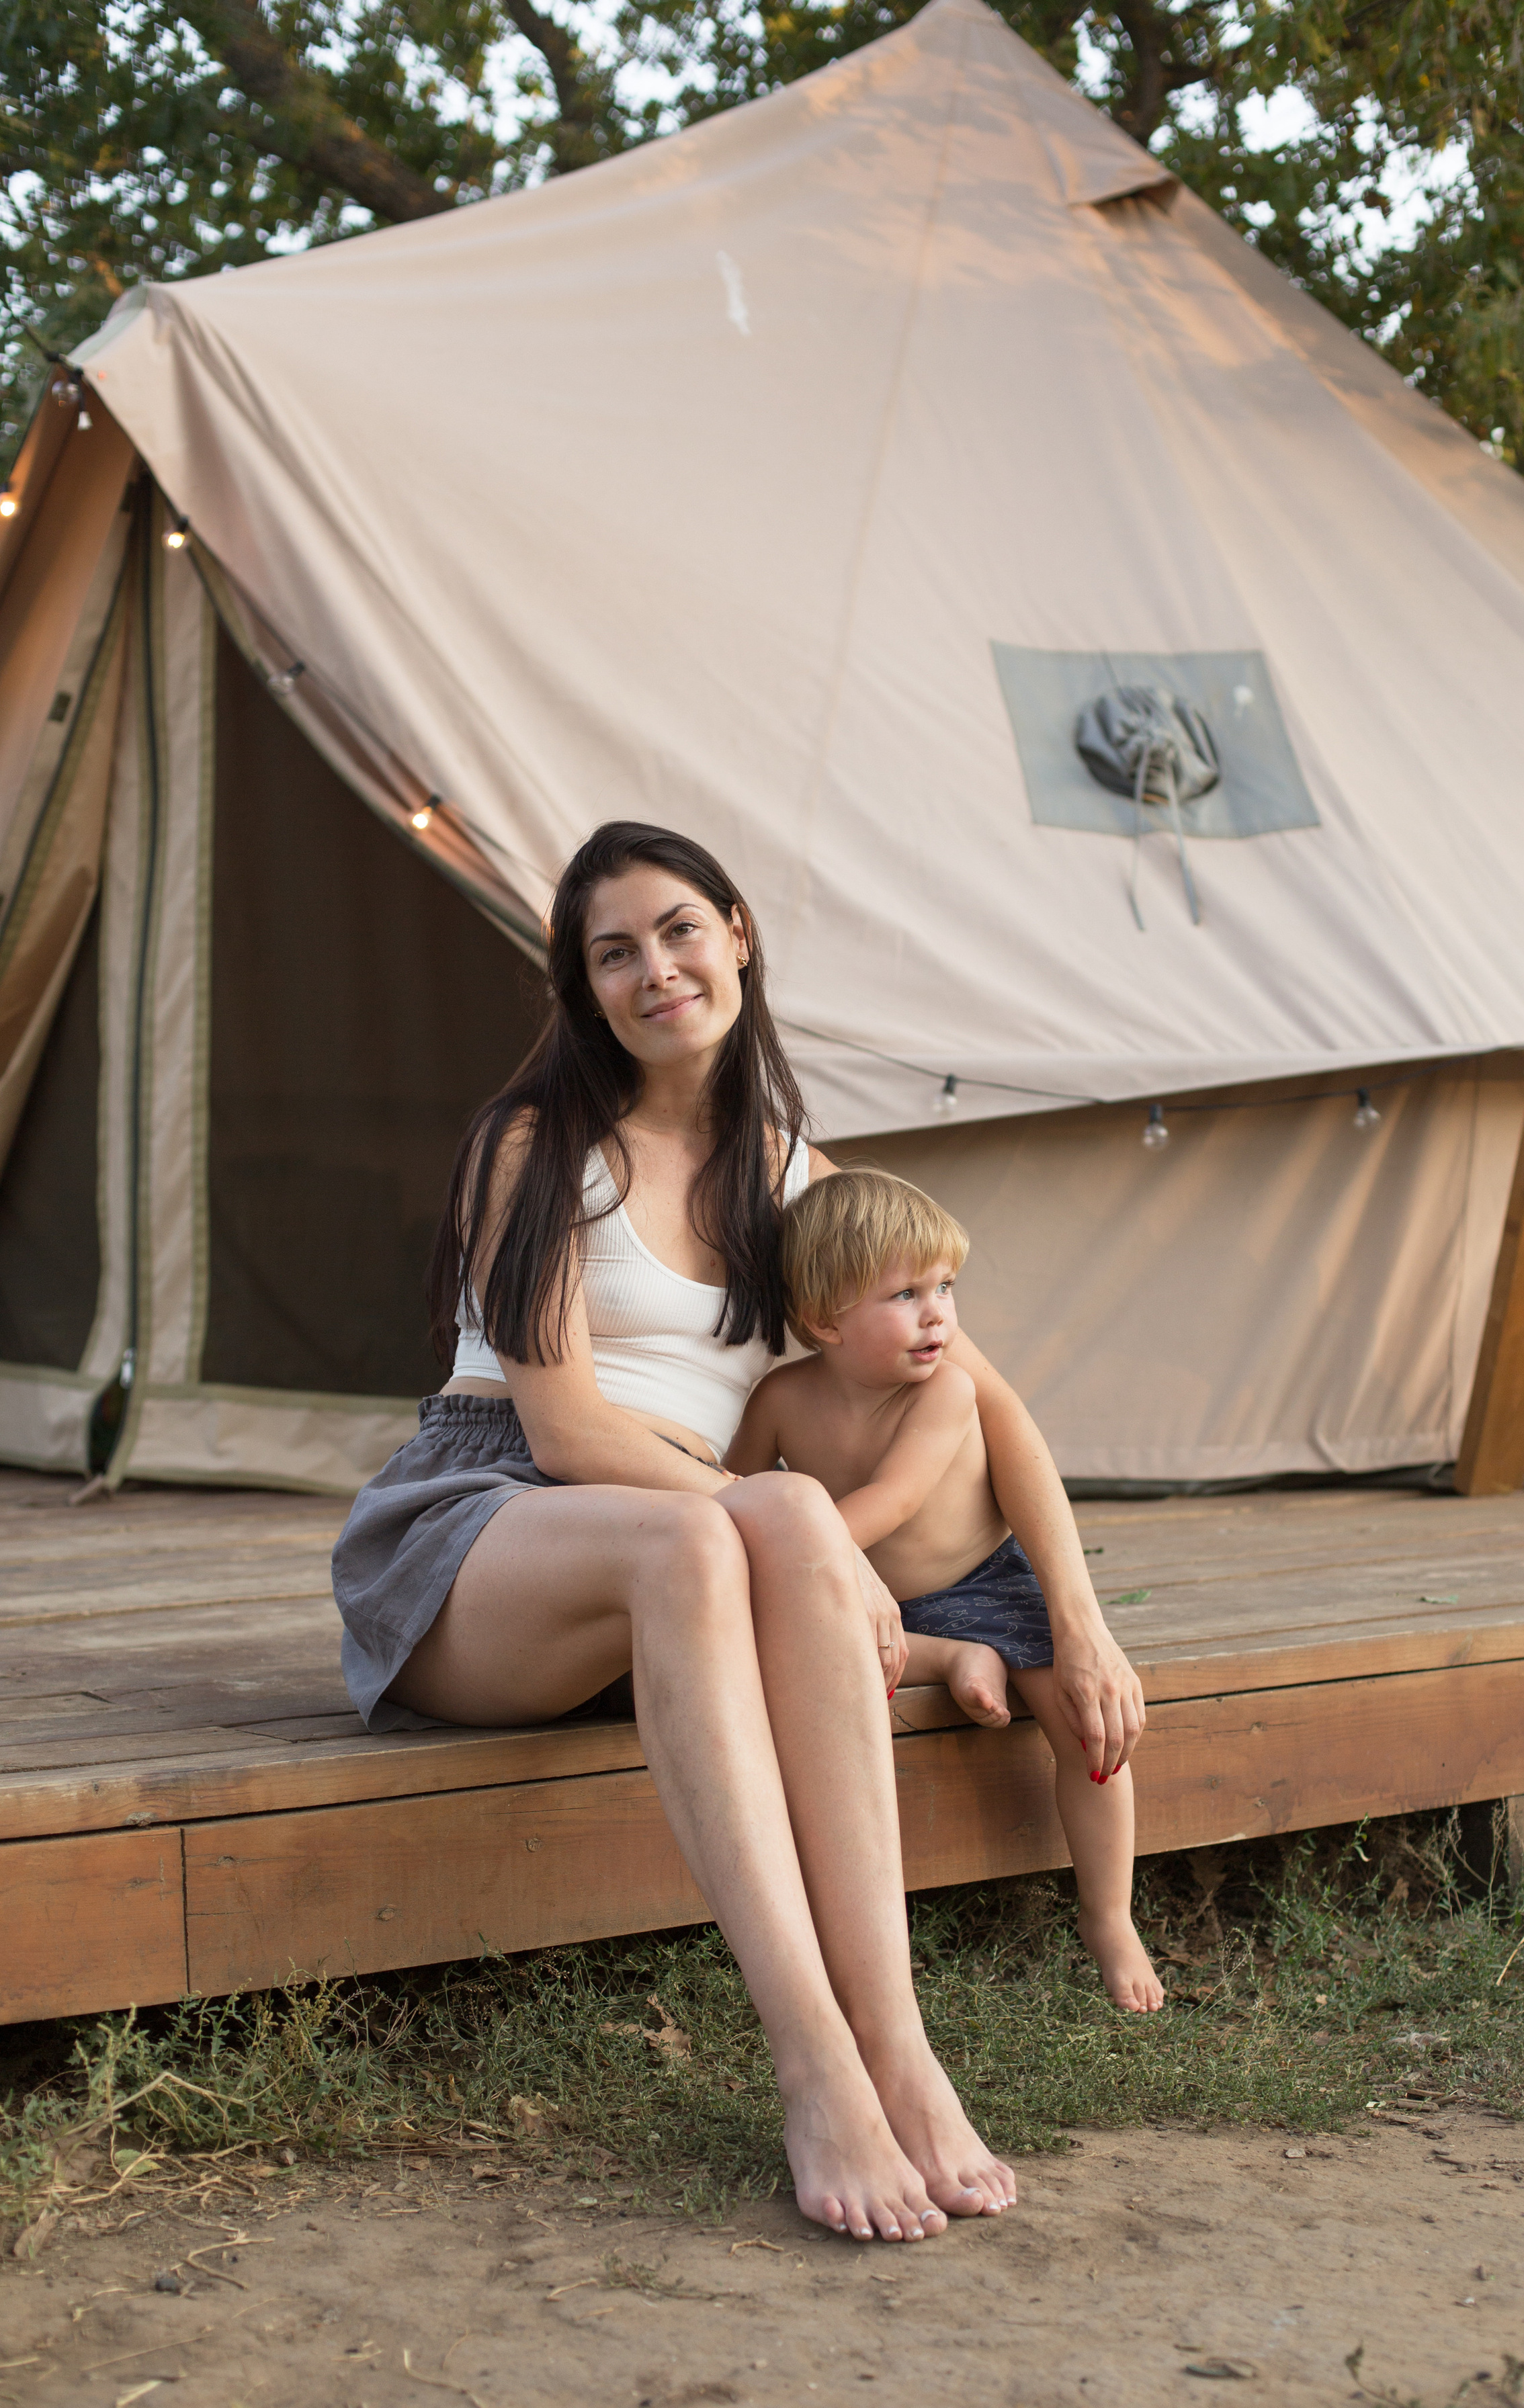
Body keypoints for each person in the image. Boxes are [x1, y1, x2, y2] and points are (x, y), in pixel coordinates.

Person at [332, 820, 1146, 2243]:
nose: (655, 970)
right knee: (735, 1529)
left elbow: (977, 1391)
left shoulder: (788, 1175)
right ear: (582, 989)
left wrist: (1076, 1618)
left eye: (678, 931)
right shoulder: (532, 1147)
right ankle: (814, 2063)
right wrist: (797, 1532)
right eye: (613, 953)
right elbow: (568, 1431)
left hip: (689, 1557)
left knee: (732, 1537)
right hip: (480, 1527)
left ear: (738, 935)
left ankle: (898, 2044)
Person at [728, 1168, 1163, 2014]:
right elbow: (733, 1487)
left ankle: (1109, 1916)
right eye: (906, 1292)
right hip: (873, 1599)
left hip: (984, 1582)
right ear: (825, 1320)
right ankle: (956, 1659)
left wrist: (790, 1541)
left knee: (1083, 1726)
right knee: (787, 1642)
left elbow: (891, 1500)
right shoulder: (781, 1397)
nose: (938, 1314)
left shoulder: (947, 1391)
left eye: (946, 1286)